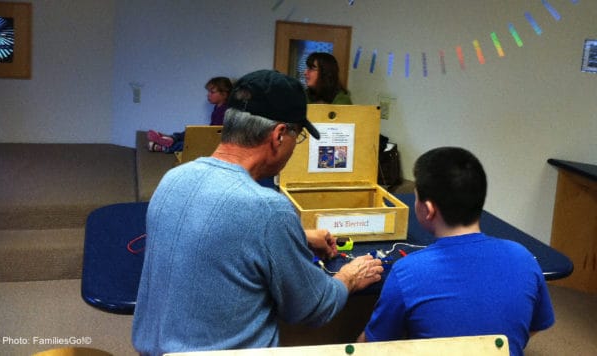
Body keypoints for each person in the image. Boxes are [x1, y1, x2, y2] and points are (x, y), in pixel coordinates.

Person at [132, 69, 384, 355]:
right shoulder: (268, 209)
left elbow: (217, 230)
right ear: (278, 135)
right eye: (297, 137)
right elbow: (313, 307)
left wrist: (298, 236)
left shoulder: (174, 178)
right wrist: (349, 276)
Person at [357, 147, 554, 356]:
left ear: (428, 209)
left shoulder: (407, 272)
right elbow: (534, 326)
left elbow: (373, 347)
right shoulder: (524, 257)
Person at [147, 76, 233, 153]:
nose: (208, 95)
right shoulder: (217, 107)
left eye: (212, 92)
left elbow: (219, 133)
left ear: (224, 94)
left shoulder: (225, 111)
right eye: (208, 92)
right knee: (189, 132)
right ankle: (171, 138)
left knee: (189, 144)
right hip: (210, 134)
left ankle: (164, 147)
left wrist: (203, 137)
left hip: (215, 142)